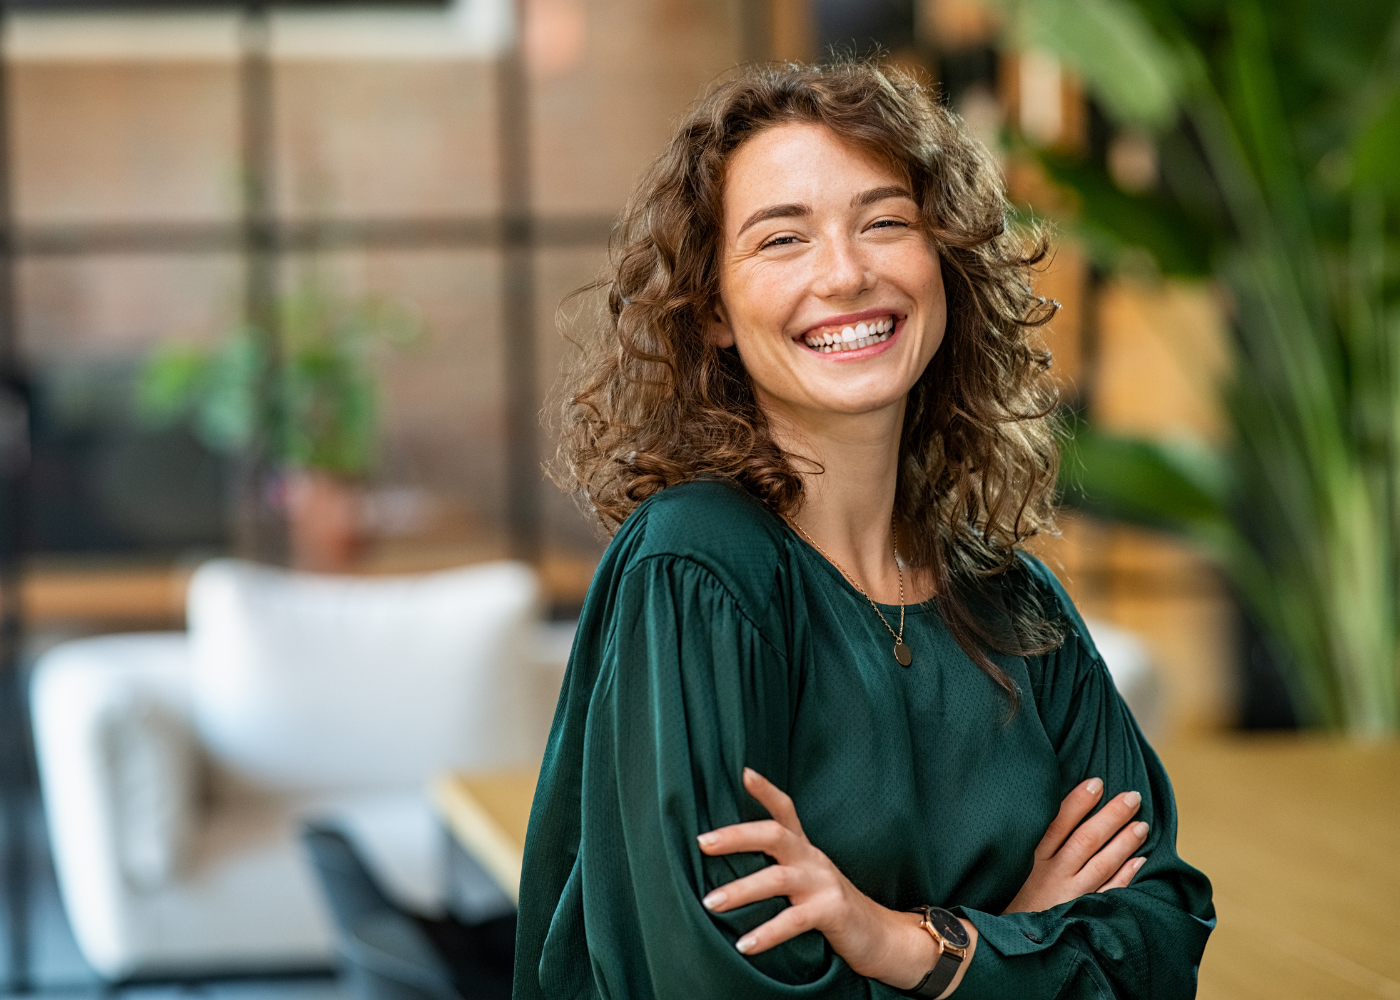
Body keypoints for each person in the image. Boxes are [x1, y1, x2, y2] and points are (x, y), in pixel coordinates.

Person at [514, 61, 1214, 1000]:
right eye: (781, 240)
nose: (845, 274)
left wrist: (910, 944)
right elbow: (712, 985)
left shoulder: (1014, 602)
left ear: (944, 263)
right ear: (713, 309)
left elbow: (1160, 941)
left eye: (885, 222)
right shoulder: (698, 568)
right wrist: (1017, 943)